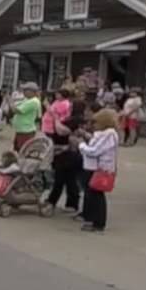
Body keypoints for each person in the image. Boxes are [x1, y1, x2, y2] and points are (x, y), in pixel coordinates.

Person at [79, 104, 120, 233]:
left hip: (100, 169)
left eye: (96, 122)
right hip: (94, 167)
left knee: (97, 196)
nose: (94, 125)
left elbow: (95, 151)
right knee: (91, 195)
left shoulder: (109, 134)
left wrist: (80, 145)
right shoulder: (103, 133)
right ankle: (90, 220)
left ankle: (98, 223)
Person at [47, 95, 84, 213]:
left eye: (72, 106)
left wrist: (55, 118)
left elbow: (62, 131)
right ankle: (70, 203)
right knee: (68, 179)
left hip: (67, 154)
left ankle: (53, 201)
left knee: (62, 178)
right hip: (67, 152)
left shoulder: (75, 120)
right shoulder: (74, 119)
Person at [11, 83, 42, 150]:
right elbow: (17, 104)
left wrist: (9, 101)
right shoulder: (27, 99)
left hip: (26, 130)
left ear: (32, 91)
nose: (23, 92)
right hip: (21, 129)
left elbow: (16, 110)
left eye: (26, 90)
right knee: (17, 149)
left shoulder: (33, 101)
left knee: (23, 150)